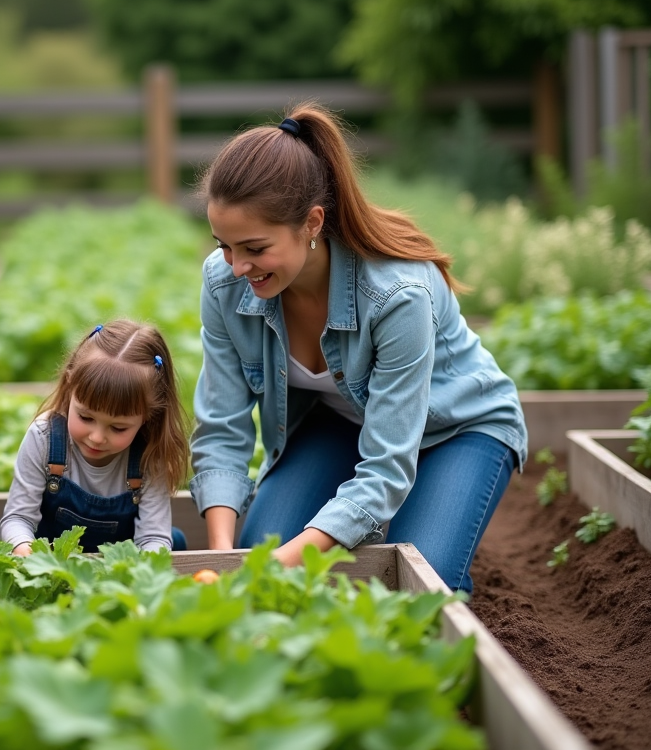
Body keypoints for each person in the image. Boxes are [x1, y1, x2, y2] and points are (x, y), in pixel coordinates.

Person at [190, 102, 527, 593]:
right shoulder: (224, 282)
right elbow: (222, 426)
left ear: (312, 223)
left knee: (417, 587)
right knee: (263, 543)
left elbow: (388, 465)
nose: (236, 266)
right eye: (224, 244)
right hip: (343, 421)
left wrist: (282, 564)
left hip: (458, 427)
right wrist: (224, 558)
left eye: (255, 248)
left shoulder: (396, 296)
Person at [0, 319, 190, 554]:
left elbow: (153, 537)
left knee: (174, 540)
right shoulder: (44, 438)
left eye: (118, 428)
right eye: (86, 418)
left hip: (119, 574)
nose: (97, 437)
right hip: (50, 566)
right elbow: (17, 519)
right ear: (71, 388)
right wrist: (26, 551)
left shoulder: (149, 455)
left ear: (148, 417)